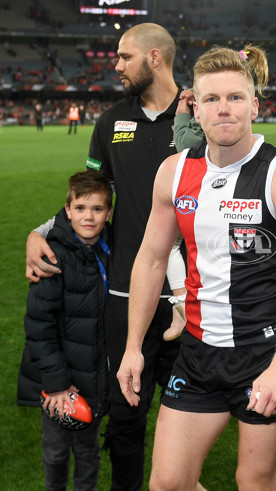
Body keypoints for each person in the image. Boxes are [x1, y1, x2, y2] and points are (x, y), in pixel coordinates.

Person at [117, 44, 276, 490]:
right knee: (167, 483)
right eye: (211, 99)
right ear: (195, 105)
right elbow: (150, 260)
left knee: (255, 482)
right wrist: (133, 345)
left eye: (235, 98)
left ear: (255, 105)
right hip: (196, 354)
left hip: (262, 355)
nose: (223, 109)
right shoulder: (174, 171)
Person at [25, 23, 187, 490]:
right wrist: (41, 232)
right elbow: (89, 196)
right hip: (124, 289)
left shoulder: (198, 116)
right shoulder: (110, 121)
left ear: (154, 58)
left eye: (123, 57)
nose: (115, 66)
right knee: (125, 416)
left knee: (191, 406)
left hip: (191, 292)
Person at [18, 170, 112, 491]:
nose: (89, 217)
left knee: (89, 452)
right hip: (58, 386)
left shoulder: (112, 248)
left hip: (95, 380)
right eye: (81, 208)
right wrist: (57, 385)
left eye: (97, 209)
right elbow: (39, 326)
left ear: (108, 212)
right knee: (56, 452)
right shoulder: (51, 255)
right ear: (67, 210)